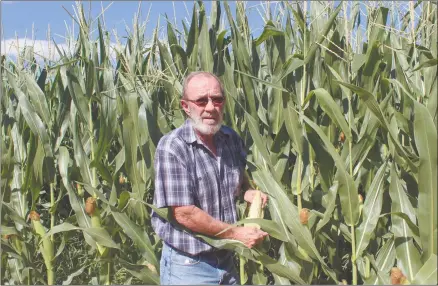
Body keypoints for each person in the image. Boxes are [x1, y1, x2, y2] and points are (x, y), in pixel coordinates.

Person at [151, 71, 269, 285]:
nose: (210, 107)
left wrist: (248, 192)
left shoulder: (230, 139)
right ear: (186, 106)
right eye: (201, 101)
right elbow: (184, 213)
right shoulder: (173, 147)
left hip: (227, 261)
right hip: (190, 267)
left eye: (217, 99)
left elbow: (238, 181)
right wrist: (236, 234)